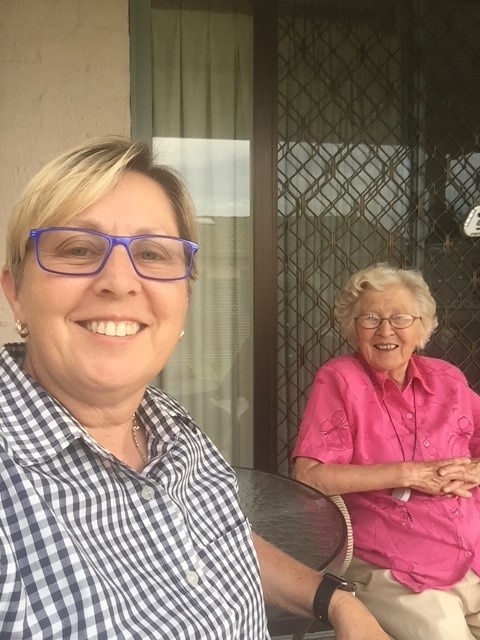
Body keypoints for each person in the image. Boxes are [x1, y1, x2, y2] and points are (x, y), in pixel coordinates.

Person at [0, 137, 388, 640]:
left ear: (183, 300)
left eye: (153, 253)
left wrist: (333, 599)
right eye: (78, 249)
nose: (119, 281)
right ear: (16, 294)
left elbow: (216, 540)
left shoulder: (171, 428)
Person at [292, 263, 480, 640]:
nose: (385, 331)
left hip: (471, 551)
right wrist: (409, 473)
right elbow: (309, 474)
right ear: (353, 327)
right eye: (371, 319)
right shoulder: (340, 380)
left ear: (422, 326)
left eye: (399, 318)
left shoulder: (448, 380)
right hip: (395, 567)